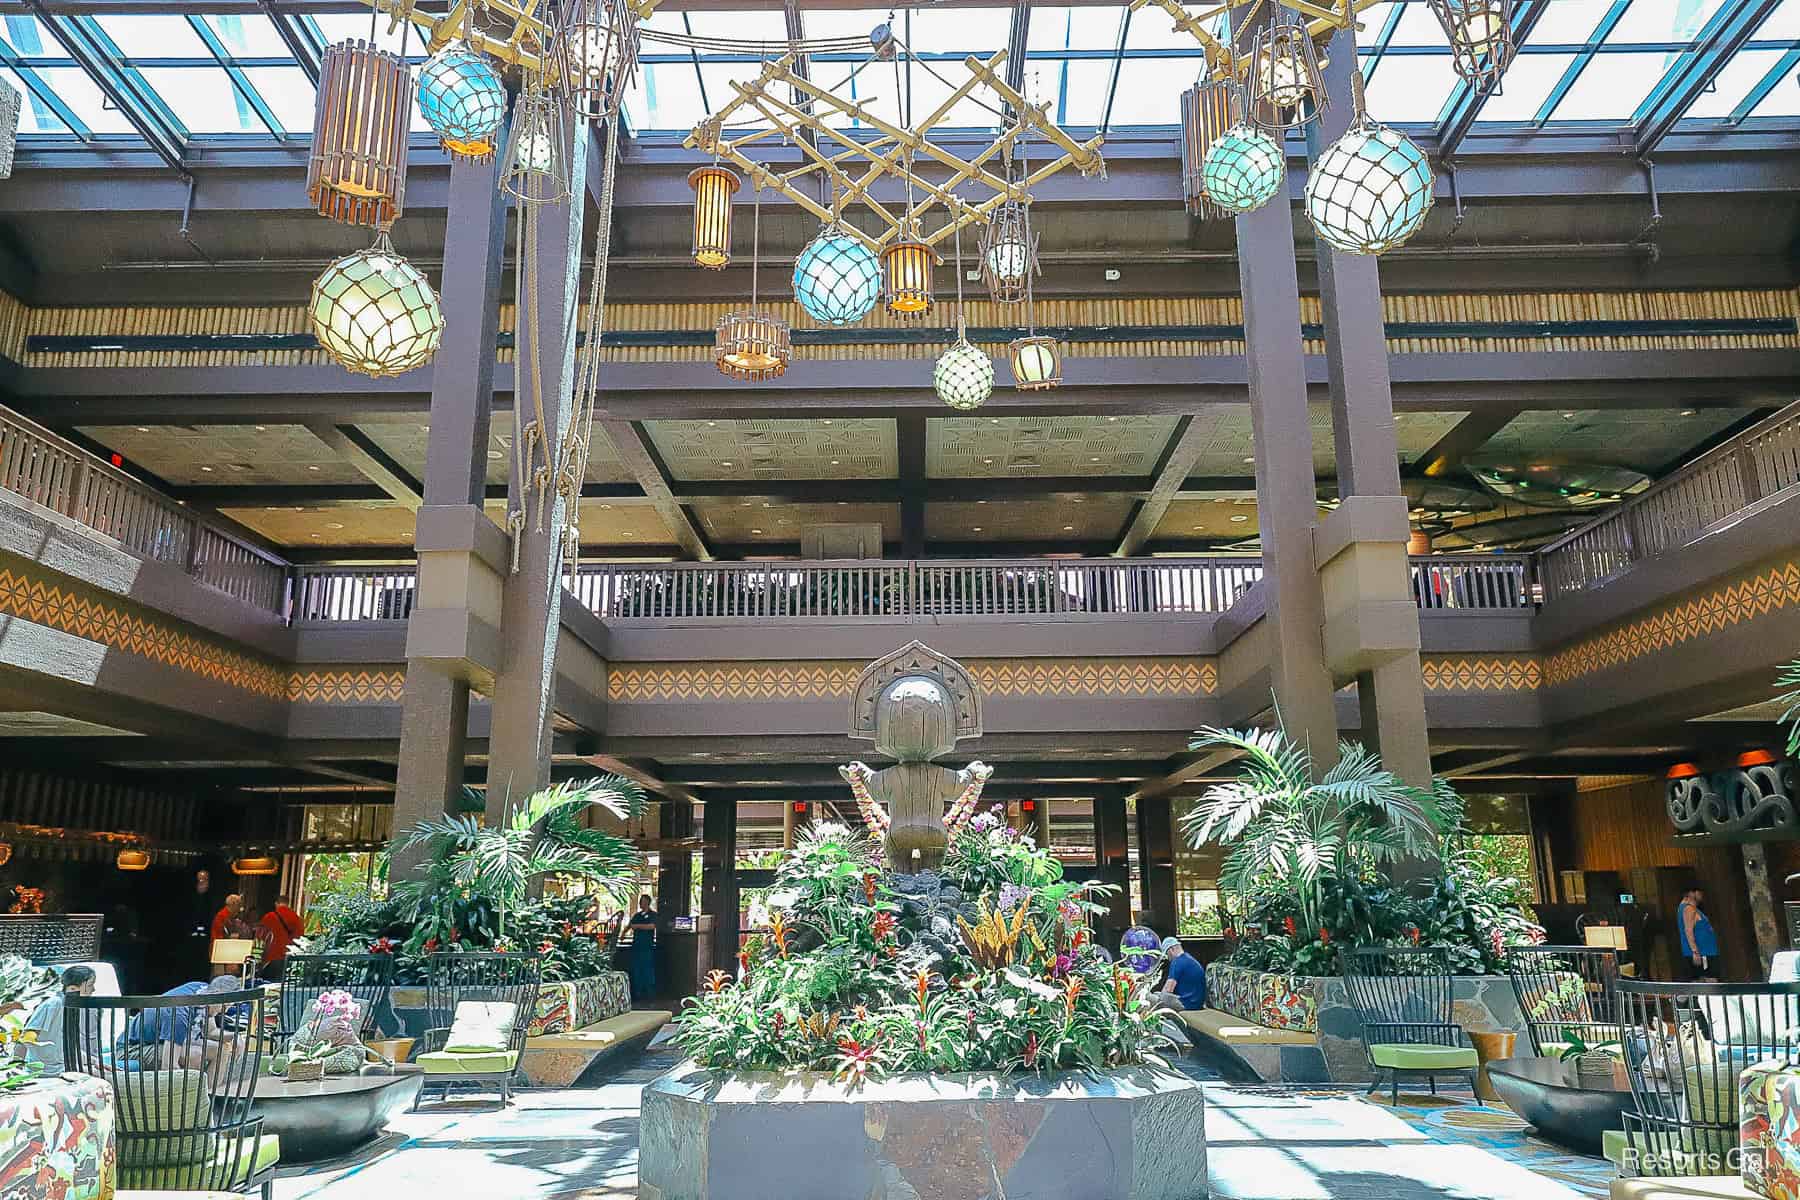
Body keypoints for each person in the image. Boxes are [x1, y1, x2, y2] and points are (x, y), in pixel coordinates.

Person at [14, 965, 96, 1074]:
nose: (93, 989)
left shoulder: (71, 1008)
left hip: (63, 1067)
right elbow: (25, 1039)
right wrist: (16, 1070)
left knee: (108, 1073)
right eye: (90, 985)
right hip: (48, 1071)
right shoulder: (54, 1004)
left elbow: (64, 1049)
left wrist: (96, 1062)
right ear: (73, 988)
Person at [1148, 937, 1206, 1013]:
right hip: (1197, 1003)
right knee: (1156, 994)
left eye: (1167, 954)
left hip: (1187, 1004)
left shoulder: (1177, 962)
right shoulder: (1188, 959)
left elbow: (1168, 989)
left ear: (1171, 950)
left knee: (1148, 998)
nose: (1168, 958)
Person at [1678, 887, 1720, 980]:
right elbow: (1688, 930)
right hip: (1703, 953)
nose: (1701, 895)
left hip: (1706, 952)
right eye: (1699, 892)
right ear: (1691, 893)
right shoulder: (1688, 909)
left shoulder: (1692, 908)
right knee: (1710, 981)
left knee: (1706, 981)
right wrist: (1695, 952)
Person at [258, 898, 304, 981]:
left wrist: (258, 960)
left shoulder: (269, 917)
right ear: (288, 904)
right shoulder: (297, 919)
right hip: (289, 959)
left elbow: (260, 938)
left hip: (271, 959)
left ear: (276, 903)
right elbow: (300, 939)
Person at [627, 894, 658, 1004]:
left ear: (648, 903)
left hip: (647, 947)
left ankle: (650, 994)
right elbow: (630, 925)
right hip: (636, 946)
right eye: (640, 901)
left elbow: (652, 926)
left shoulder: (653, 915)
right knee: (637, 970)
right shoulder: (637, 915)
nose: (641, 903)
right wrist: (623, 933)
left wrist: (638, 926)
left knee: (647, 970)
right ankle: (637, 993)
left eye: (643, 901)